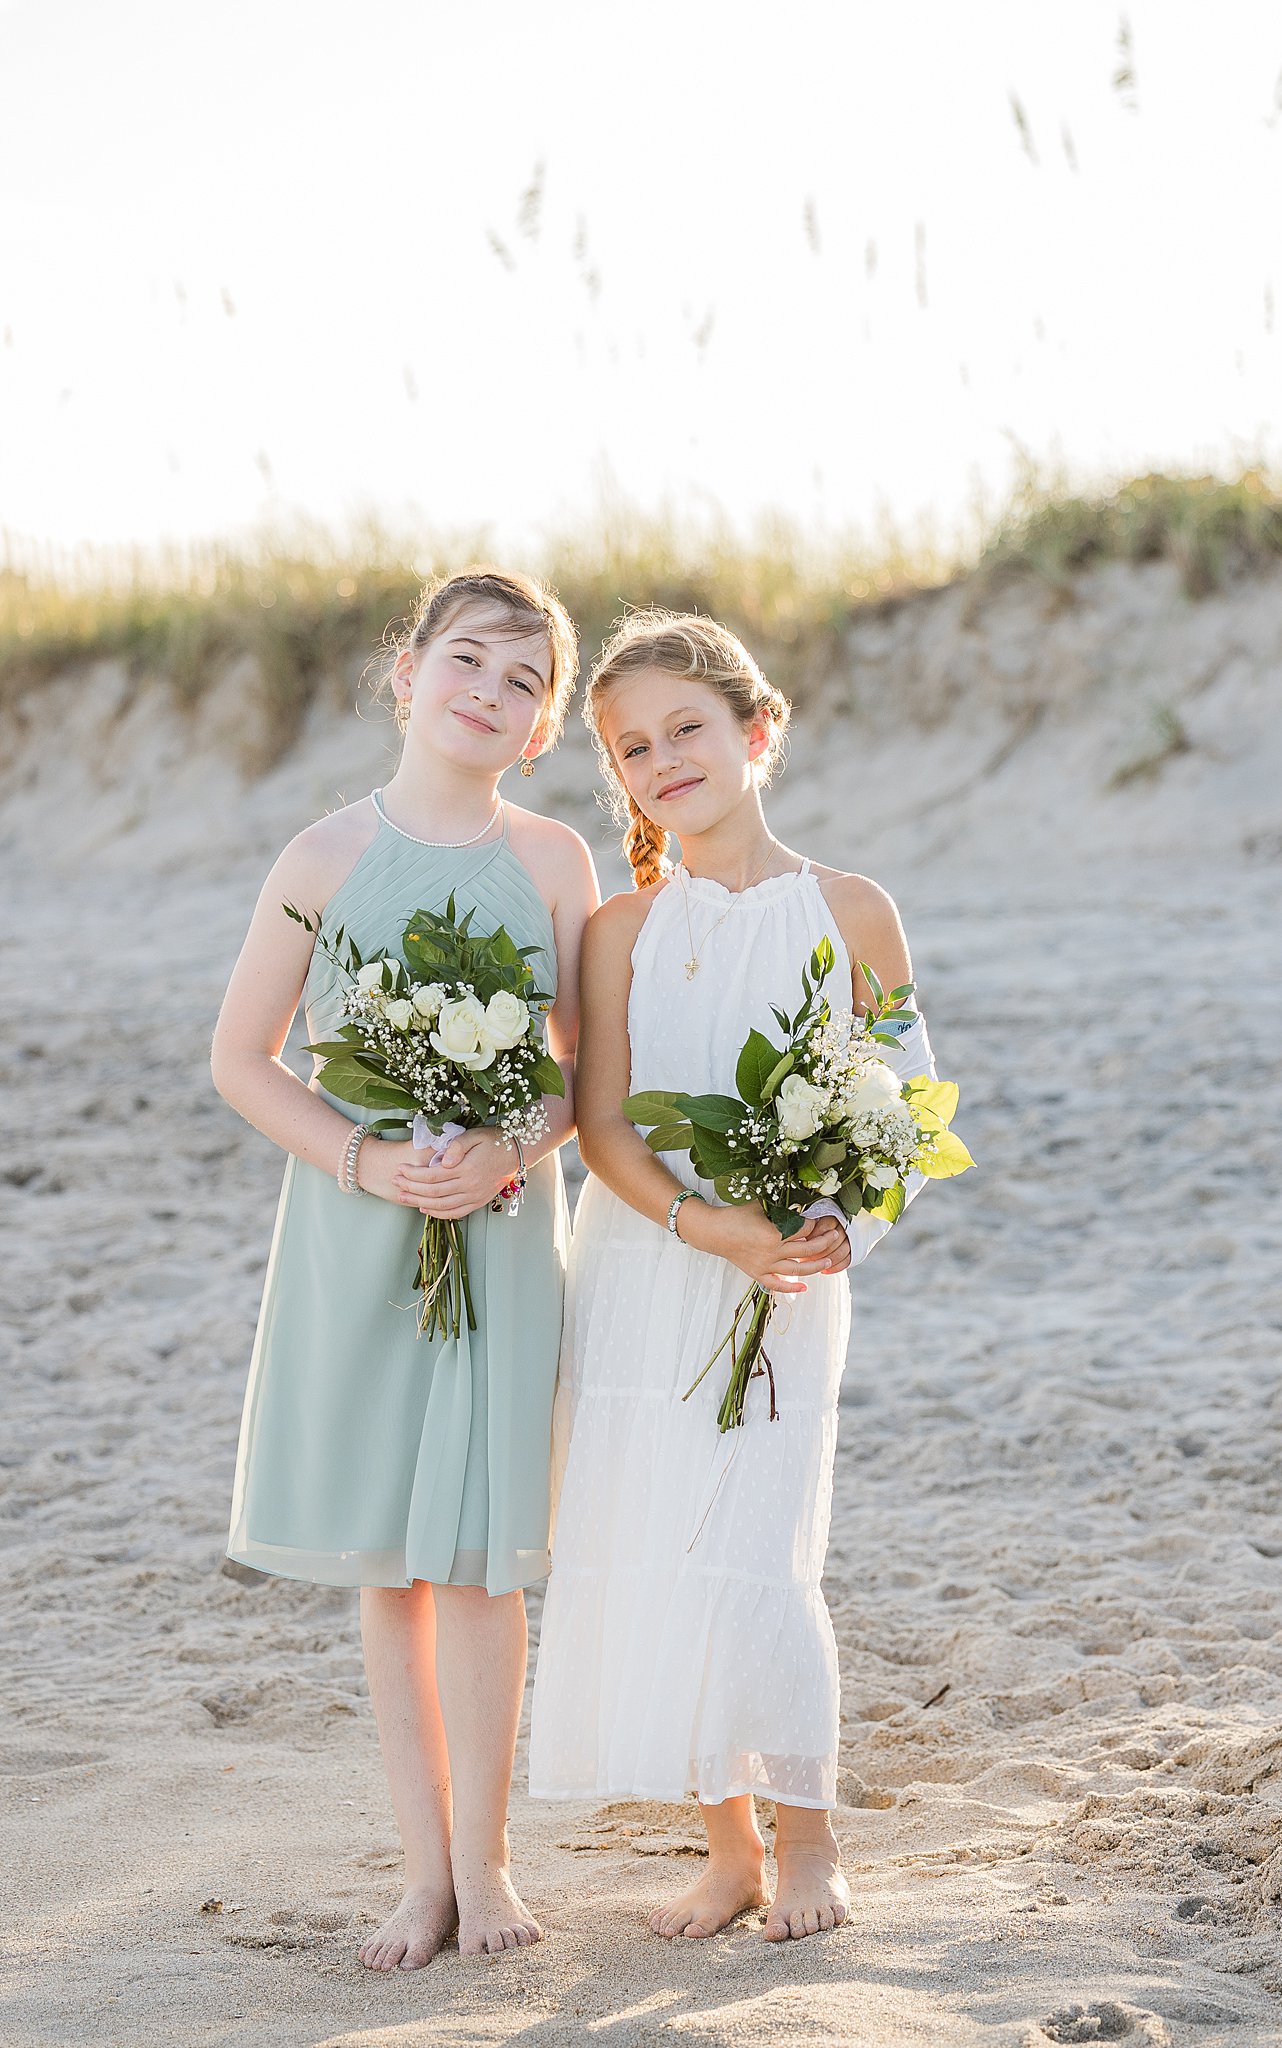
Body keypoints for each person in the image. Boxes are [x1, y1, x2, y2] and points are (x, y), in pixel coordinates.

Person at [528, 609, 939, 1942]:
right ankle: (729, 1849)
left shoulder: (853, 909)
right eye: (633, 749)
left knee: (762, 1549)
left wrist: (837, 1225)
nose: (663, 761)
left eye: (686, 730)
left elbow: (906, 1105)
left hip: (791, 1284)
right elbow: (603, 1128)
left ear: (758, 732)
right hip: (650, 1271)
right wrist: (714, 1230)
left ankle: (809, 1840)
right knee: (654, 1539)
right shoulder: (621, 928)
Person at [211, 568, 599, 1969]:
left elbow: (583, 1074)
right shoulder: (320, 857)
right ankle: (422, 1876)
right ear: (406, 671)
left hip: (498, 1235)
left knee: (482, 1561)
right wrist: (369, 1165)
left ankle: (491, 1871)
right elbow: (240, 1060)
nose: (489, 696)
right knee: (394, 1567)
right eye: (469, 663)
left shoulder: (556, 860)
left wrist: (510, 1148)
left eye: (522, 683)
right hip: (356, 1232)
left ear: (541, 727)